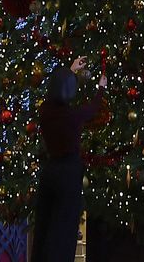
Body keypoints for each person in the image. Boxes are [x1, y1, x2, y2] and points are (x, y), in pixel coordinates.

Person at [30, 56, 103, 262]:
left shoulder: (45, 110)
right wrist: (100, 88)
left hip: (50, 169)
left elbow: (57, 89)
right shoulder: (71, 116)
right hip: (68, 171)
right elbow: (92, 110)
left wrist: (70, 70)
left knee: (45, 224)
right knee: (64, 227)